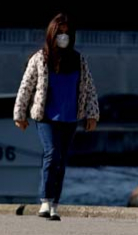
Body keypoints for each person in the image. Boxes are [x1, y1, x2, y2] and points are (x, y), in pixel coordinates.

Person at [13, 13, 99, 220]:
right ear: (51, 34)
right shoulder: (40, 58)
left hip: (70, 117)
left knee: (62, 160)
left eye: (66, 34)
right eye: (59, 33)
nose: (63, 37)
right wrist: (20, 114)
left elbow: (89, 89)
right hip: (46, 116)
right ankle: (44, 201)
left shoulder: (79, 60)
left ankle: (54, 205)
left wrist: (92, 115)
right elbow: (26, 86)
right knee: (52, 153)